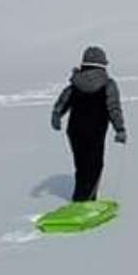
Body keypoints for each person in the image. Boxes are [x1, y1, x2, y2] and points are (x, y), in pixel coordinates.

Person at [50, 45, 128, 202]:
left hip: (74, 131)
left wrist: (56, 116)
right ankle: (85, 202)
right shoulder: (108, 84)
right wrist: (120, 129)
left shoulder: (75, 84)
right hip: (95, 131)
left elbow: (62, 102)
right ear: (102, 64)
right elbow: (113, 108)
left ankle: (80, 198)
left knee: (82, 166)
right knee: (95, 166)